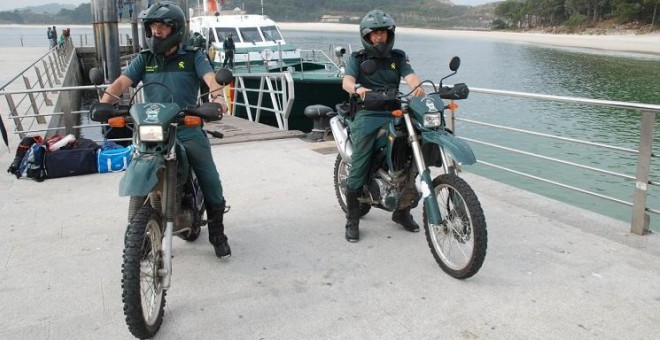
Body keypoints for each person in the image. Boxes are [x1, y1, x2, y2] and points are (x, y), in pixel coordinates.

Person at [99, 1, 232, 258]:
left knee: (210, 177)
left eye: (162, 26)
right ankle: (140, 233)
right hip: (151, 127)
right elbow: (121, 83)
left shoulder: (193, 56)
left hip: (184, 126)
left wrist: (218, 98)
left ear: (176, 29)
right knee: (138, 163)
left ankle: (217, 230)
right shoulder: (144, 59)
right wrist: (103, 104)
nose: (156, 32)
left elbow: (210, 79)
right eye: (152, 27)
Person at [341, 10, 425, 243]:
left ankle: (402, 211)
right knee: (360, 162)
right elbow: (347, 81)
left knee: (412, 151)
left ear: (390, 35)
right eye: (375, 34)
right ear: (366, 36)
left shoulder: (398, 57)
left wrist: (418, 87)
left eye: (383, 34)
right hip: (368, 113)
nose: (380, 38)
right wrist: (357, 89)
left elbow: (410, 77)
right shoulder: (357, 59)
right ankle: (352, 219)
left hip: (396, 111)